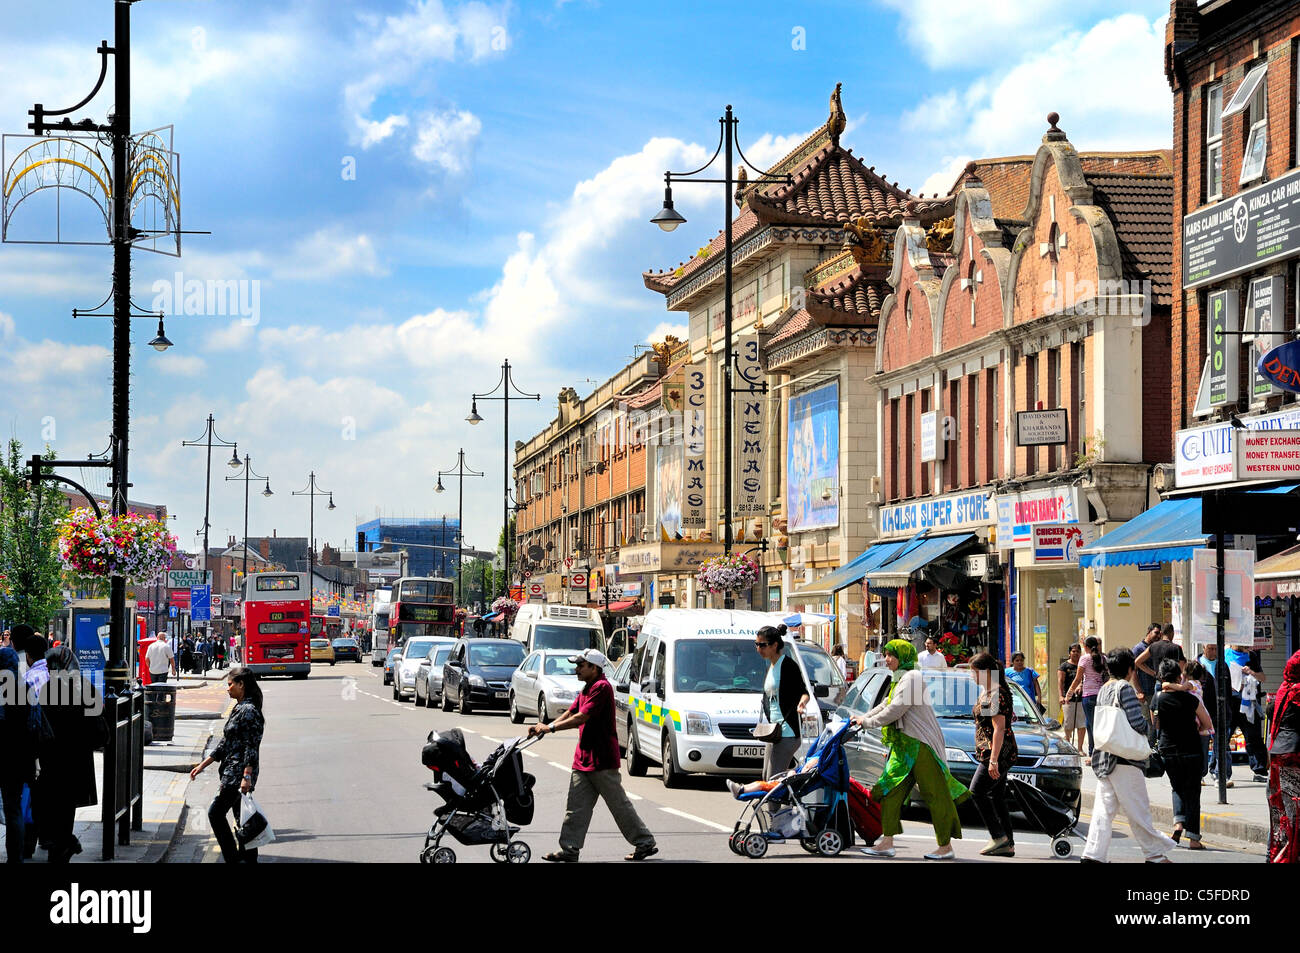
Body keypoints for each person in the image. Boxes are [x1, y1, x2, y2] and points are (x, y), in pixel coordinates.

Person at [529, 649, 657, 862]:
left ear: (594, 668)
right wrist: (547, 726)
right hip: (583, 759)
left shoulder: (602, 688)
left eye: (581, 666)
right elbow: (571, 712)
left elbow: (581, 717)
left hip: (602, 760)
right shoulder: (587, 687)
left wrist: (550, 730)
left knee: (619, 806)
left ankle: (645, 842)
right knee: (575, 809)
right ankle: (570, 850)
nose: (576, 669)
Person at [849, 639, 970, 860]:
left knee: (936, 795)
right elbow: (886, 703)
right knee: (889, 790)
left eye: (890, 655)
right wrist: (862, 717)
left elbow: (896, 709)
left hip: (921, 744)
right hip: (904, 745)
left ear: (903, 656)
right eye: (885, 654)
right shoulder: (901, 677)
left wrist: (867, 723)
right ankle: (886, 842)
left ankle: (945, 846)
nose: (886, 659)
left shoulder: (913, 677)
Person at [1079, 648, 1175, 863]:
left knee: (1103, 811)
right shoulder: (1125, 689)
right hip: (1126, 759)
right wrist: (1150, 728)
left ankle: (1093, 855)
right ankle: (1155, 856)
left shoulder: (1104, 689)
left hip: (1104, 758)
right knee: (1139, 809)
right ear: (1131, 669)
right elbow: (1137, 723)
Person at [190, 667, 265, 862]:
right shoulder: (240, 707)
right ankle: (248, 859)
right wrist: (203, 765)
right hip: (233, 771)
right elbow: (225, 743)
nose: (228, 688)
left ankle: (232, 857)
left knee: (215, 813)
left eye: (230, 684)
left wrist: (246, 776)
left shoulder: (248, 711)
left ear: (241, 685)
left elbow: (252, 746)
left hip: (238, 773)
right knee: (244, 819)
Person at [36, 646, 103, 863]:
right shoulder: (84, 687)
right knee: (67, 806)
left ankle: (63, 843)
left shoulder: (46, 689)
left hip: (51, 758)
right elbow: (100, 729)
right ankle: (64, 843)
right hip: (77, 758)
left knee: (52, 803)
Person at [1153, 658, 1211, 851]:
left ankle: (1178, 824)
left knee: (1177, 788)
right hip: (1192, 750)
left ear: (1161, 677)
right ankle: (1194, 839)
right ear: (1180, 675)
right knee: (1193, 792)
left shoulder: (1158, 699)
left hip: (1168, 750)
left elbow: (1156, 725)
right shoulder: (1191, 698)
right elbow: (1207, 724)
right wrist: (1198, 728)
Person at [968, 652, 1018, 857]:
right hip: (994, 752)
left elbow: (999, 729)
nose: (972, 676)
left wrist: (994, 760)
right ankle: (1008, 843)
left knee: (977, 791)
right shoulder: (989, 692)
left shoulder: (996, 694)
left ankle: (998, 837)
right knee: (997, 796)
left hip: (997, 752)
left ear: (986, 672)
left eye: (974, 672)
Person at [748, 624, 809, 781]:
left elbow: (804, 692)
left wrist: (801, 704)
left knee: (772, 779)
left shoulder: (788, 665)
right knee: (766, 776)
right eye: (756, 644)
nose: (758, 648)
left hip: (788, 731)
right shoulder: (771, 665)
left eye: (762, 645)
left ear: (775, 645)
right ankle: (777, 803)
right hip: (774, 731)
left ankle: (776, 805)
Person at [0, 646, 38, 863]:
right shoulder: (26, 689)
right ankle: (15, 858)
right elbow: (35, 726)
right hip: (17, 758)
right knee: (13, 808)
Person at [1266, 649, 1300, 863]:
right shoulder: (1297, 692)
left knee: (1280, 808)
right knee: (1294, 810)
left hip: (1278, 753)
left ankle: (1275, 854)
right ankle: (1287, 856)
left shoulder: (1284, 689)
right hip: (1293, 755)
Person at [1066, 636, 1108, 755]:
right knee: (1090, 724)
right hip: (1101, 694)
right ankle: (1092, 752)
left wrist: (1069, 694)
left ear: (1086, 647)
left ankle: (1096, 753)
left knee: (1093, 725)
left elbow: (1078, 679)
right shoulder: (1103, 658)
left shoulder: (1084, 659)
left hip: (1088, 695)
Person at [1131, 624, 1163, 720]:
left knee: (1157, 720)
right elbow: (1133, 672)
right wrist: (1139, 691)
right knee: (1148, 721)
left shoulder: (1157, 647)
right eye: (1156, 633)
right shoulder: (1138, 649)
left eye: (1160, 634)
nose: (1158, 636)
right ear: (1149, 632)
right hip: (1146, 693)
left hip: (1157, 691)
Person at [1059, 643, 1085, 751]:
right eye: (1073, 651)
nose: (1076, 653)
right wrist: (1061, 696)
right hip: (1068, 699)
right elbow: (1060, 682)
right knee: (1068, 724)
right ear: (1069, 653)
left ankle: (1080, 748)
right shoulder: (1064, 666)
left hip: (1081, 699)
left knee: (1081, 724)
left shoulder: (1083, 665)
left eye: (1078, 651)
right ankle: (1068, 746)